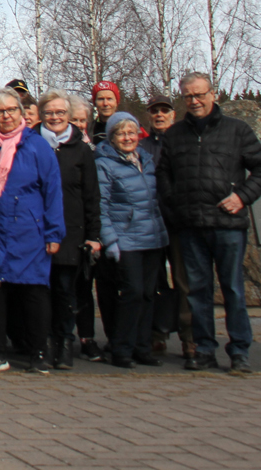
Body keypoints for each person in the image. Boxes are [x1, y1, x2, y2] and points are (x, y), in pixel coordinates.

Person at [157, 72, 261, 374]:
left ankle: (239, 352)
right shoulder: (175, 134)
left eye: (200, 95)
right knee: (197, 291)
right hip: (191, 226)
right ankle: (204, 349)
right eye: (188, 96)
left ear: (213, 94)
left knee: (233, 290)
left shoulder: (237, 131)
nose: (194, 101)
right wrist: (175, 207)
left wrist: (243, 197)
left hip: (227, 226)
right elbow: (163, 176)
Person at [0, 88, 65, 375]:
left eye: (12, 110)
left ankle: (38, 352)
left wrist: (53, 233)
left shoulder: (37, 146)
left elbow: (53, 190)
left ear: (21, 114)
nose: (6, 115)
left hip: (29, 229)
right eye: (0, 111)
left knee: (33, 292)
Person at [95, 112, 169, 369]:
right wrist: (110, 240)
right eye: (121, 133)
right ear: (112, 137)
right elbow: (101, 206)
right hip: (125, 239)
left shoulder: (146, 161)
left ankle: (142, 347)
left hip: (152, 236)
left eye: (131, 132)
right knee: (132, 292)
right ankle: (121, 347)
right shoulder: (104, 164)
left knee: (149, 294)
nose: (127, 138)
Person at [35, 90, 100, 370]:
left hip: (71, 231)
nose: (55, 117)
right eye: (49, 112)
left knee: (65, 290)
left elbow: (91, 196)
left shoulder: (81, 149)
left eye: (60, 112)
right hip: (36, 231)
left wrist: (93, 236)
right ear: (41, 115)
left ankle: (64, 342)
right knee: (40, 291)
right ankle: (44, 343)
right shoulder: (32, 144)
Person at [145, 95, 193, 358]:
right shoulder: (141, 146)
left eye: (164, 111)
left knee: (184, 282)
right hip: (151, 224)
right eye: (155, 111)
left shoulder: (183, 143)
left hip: (178, 223)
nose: (160, 115)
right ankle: (157, 333)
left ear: (173, 114)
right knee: (155, 283)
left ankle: (189, 337)